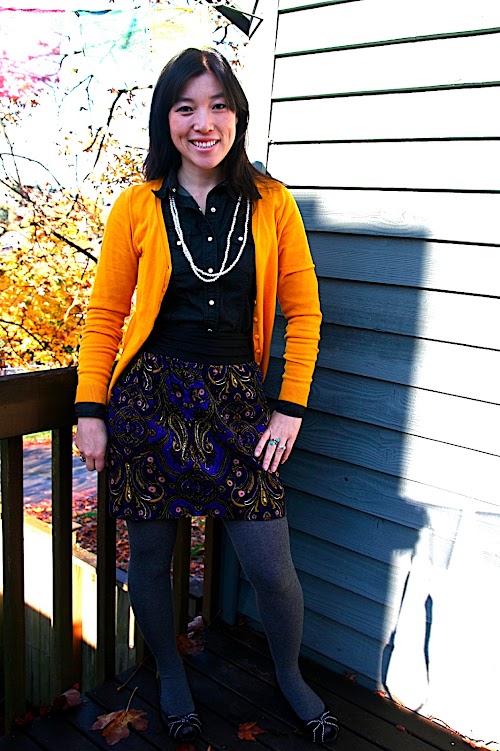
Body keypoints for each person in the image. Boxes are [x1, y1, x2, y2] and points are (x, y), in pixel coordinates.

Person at [74, 47, 339, 745]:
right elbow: (105, 317)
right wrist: (90, 409)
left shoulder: (271, 202)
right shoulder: (137, 205)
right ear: (166, 119)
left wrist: (289, 407)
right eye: (186, 106)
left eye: (219, 105)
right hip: (149, 402)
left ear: (237, 116)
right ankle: (170, 673)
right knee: (150, 561)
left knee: (270, 568)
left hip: (238, 405)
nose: (204, 122)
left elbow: (305, 313)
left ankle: (289, 674)